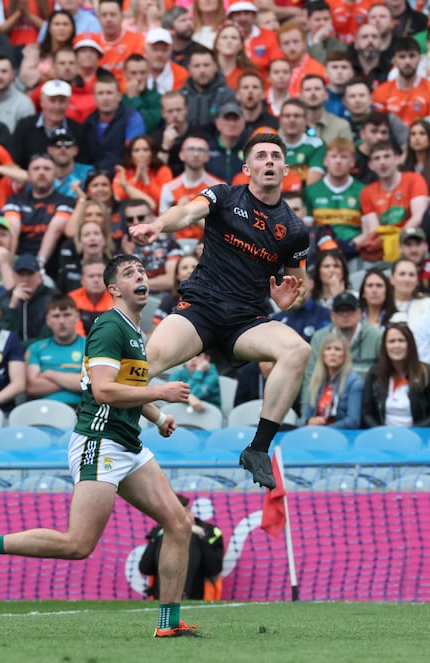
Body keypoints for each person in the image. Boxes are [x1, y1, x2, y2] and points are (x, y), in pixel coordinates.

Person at [0, 253, 198, 638]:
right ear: (114, 289)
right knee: (78, 544)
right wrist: (161, 392)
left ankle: (168, 624)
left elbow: (126, 388)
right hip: (100, 441)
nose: (141, 277)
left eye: (143, 271)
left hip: (127, 443)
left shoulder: (134, 330)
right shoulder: (109, 327)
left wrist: (156, 416)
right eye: (130, 273)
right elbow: (103, 390)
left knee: (179, 522)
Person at [129, 133, 311, 490]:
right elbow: (187, 212)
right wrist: (156, 225)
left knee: (298, 349)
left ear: (286, 169)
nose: (269, 161)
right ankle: (120, 425)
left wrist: (289, 301)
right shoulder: (226, 195)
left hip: (246, 321)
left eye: (276, 156)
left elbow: (297, 286)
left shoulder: (293, 230)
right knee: (142, 364)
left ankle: (258, 449)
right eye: (261, 156)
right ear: (248, 168)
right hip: (201, 308)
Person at [139, 494, 223, 601]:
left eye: (187, 511)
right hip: (160, 596)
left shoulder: (211, 532)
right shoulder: (159, 533)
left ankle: (181, 594)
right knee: (174, 535)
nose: (186, 517)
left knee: (189, 536)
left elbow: (214, 569)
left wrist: (201, 537)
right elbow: (145, 568)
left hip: (199, 596)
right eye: (178, 514)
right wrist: (162, 535)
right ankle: (171, 596)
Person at [361, 322, 430, 428]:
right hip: (384, 437)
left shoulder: (426, 372)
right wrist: (382, 432)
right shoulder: (374, 373)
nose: (396, 345)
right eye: (391, 341)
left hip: (419, 437)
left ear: (410, 344)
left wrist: (411, 432)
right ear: (385, 346)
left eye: (401, 340)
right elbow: (366, 414)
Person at [25, 293, 85, 407]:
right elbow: (32, 387)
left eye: (67, 315)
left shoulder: (91, 346)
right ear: (48, 320)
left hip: (80, 411)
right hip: (42, 410)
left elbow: (91, 384)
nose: (62, 321)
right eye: (56, 316)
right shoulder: (36, 348)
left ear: (77, 317)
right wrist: (73, 379)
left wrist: (49, 374)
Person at [301, 332, 364, 428]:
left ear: (345, 355)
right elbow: (304, 419)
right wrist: (308, 422)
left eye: (337, 349)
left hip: (342, 436)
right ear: (322, 354)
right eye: (328, 349)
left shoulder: (355, 383)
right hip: (314, 435)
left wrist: (325, 430)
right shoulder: (316, 382)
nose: (332, 353)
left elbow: (353, 421)